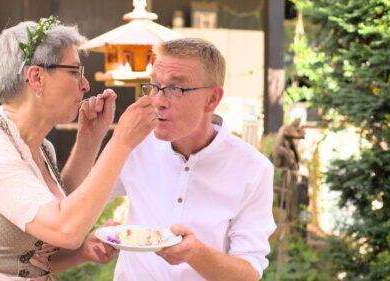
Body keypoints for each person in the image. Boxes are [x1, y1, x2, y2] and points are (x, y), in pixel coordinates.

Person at [0, 17, 157, 280]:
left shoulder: (40, 147)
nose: (85, 85)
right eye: (74, 72)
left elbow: (42, 237)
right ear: (36, 78)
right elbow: (66, 228)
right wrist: (122, 142)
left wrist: (90, 140)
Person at [111, 38, 276, 281]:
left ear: (212, 99)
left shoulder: (253, 169)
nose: (158, 101)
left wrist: (195, 253)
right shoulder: (134, 144)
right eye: (155, 86)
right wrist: (90, 137)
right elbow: (71, 203)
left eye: (176, 89)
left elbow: (248, 273)